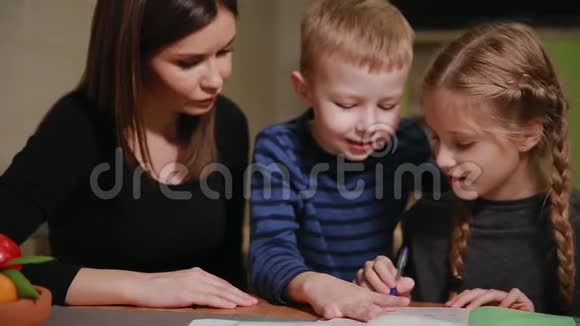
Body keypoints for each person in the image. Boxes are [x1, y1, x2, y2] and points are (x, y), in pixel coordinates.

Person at [0, 0, 258, 309]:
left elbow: (227, 269)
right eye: (188, 63)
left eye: (224, 51)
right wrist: (139, 286)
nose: (216, 79)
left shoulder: (228, 123)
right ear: (131, 57)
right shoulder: (76, 125)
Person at [355, 22, 580, 316]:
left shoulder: (573, 228)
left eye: (463, 143)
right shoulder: (425, 220)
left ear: (528, 134)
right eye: (435, 136)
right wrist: (378, 299)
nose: (441, 159)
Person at [248, 0, 444, 321]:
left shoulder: (407, 142)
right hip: (300, 309)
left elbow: (446, 219)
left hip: (373, 307)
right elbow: (267, 254)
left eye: (387, 105)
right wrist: (317, 286)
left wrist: (391, 275)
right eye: (346, 104)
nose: (369, 124)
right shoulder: (279, 148)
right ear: (304, 89)